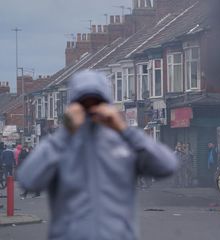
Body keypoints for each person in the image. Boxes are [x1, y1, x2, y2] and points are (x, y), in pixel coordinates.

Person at [17, 70, 178, 240]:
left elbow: (167, 166)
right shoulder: (60, 145)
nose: (90, 109)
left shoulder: (124, 143)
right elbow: (28, 180)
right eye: (83, 103)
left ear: (108, 105)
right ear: (72, 106)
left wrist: (124, 130)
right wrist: (65, 133)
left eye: (97, 102)